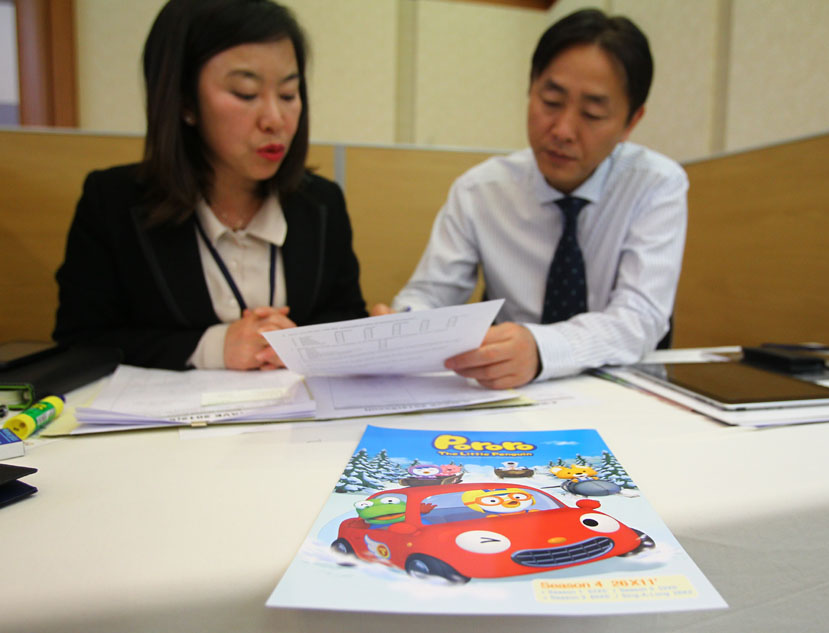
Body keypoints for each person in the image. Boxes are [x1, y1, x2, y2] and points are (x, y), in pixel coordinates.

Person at [373, 9, 687, 389]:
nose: (562, 130)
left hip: (614, 386)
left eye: (592, 113)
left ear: (631, 121)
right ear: (530, 88)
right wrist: (403, 325)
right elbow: (431, 294)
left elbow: (639, 316)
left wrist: (542, 348)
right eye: (551, 101)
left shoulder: (656, 185)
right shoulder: (480, 191)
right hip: (506, 393)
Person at [53, 0, 366, 371]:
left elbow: (347, 318)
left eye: (288, 95)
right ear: (184, 101)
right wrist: (213, 347)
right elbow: (82, 342)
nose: (275, 119)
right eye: (246, 94)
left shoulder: (322, 203)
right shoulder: (113, 202)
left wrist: (307, 342)